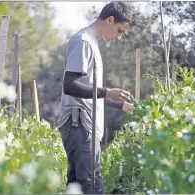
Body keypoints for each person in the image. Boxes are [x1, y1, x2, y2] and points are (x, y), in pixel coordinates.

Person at [56, 1, 136, 194]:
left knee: (77, 187)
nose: (118, 37)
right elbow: (70, 85)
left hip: (82, 125)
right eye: (120, 31)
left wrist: (120, 105)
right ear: (110, 19)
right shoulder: (84, 41)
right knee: (91, 186)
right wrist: (107, 91)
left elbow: (88, 92)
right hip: (80, 126)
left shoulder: (91, 42)